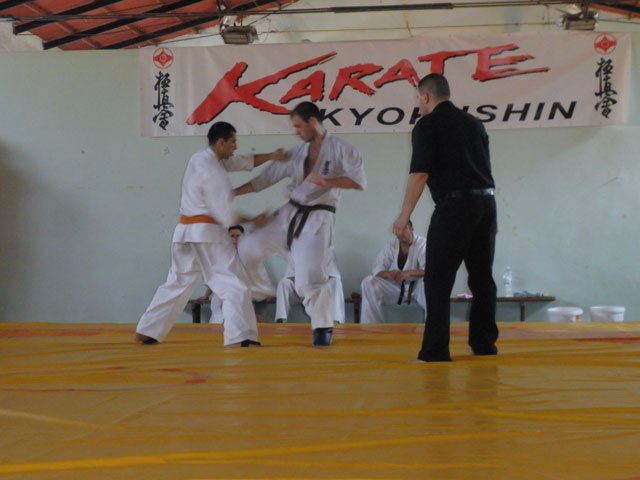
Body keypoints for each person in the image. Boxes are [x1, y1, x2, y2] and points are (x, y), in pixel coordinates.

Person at [134, 121, 286, 347]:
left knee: (177, 282)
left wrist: (272, 156)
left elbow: (242, 161)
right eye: (233, 142)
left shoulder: (200, 158)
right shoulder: (214, 172)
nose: (235, 147)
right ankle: (240, 336)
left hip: (184, 233)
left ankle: (147, 330)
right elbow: (226, 215)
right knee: (234, 283)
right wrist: (255, 219)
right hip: (207, 234)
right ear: (221, 142)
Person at [234, 101, 366, 346]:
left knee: (308, 279)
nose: (295, 131)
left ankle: (322, 327)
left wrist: (328, 183)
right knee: (248, 246)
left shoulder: (342, 149)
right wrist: (231, 193)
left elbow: (359, 182)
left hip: (318, 219)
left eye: (298, 126)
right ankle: (260, 293)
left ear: (312, 122)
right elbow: (263, 180)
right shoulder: (297, 152)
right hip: (289, 212)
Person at [392, 73, 498, 362]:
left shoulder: (427, 125)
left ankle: (435, 350)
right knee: (482, 277)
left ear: (425, 96)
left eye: (419, 98)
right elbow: (485, 170)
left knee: (438, 279)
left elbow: (420, 174)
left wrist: (404, 216)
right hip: (486, 203)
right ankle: (484, 344)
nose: (419, 103)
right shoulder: (475, 123)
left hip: (455, 206)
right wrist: (490, 215)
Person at [194, 224, 275, 323]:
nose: (235, 239)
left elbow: (261, 275)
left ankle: (259, 327)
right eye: (232, 236)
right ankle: (218, 325)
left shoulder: (251, 254)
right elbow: (215, 278)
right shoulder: (221, 255)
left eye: (238, 236)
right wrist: (206, 296)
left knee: (259, 308)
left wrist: (266, 291)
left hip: (251, 290)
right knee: (218, 302)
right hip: (230, 291)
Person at [360, 220, 426, 324]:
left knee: (428, 282)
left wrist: (408, 273)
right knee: (368, 282)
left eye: (404, 229)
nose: (401, 232)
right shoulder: (392, 245)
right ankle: (372, 327)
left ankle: (433, 327)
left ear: (412, 230)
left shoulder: (423, 244)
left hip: (417, 289)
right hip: (396, 288)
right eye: (398, 229)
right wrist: (390, 274)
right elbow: (377, 268)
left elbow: (431, 270)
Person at [275, 249, 345, 324]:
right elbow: (289, 276)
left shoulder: (328, 251)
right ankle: (281, 321)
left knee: (336, 282)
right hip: (299, 290)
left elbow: (333, 275)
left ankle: (336, 321)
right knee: (283, 283)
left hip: (320, 291)